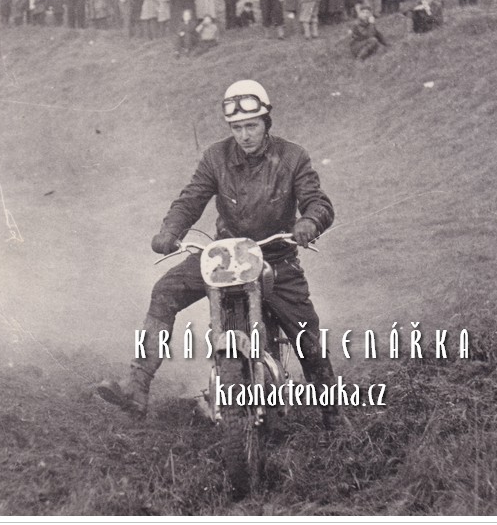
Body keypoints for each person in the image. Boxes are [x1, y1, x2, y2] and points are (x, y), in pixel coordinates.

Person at [97, 80, 347, 430]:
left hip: (276, 258)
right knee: (165, 290)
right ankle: (137, 386)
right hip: (226, 255)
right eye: (236, 127)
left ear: (266, 122)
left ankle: (332, 415)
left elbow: (318, 201)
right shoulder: (216, 156)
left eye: (251, 126)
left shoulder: (293, 157)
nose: (244, 135)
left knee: (306, 335)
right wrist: (171, 231)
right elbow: (191, 199)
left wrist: (309, 221)